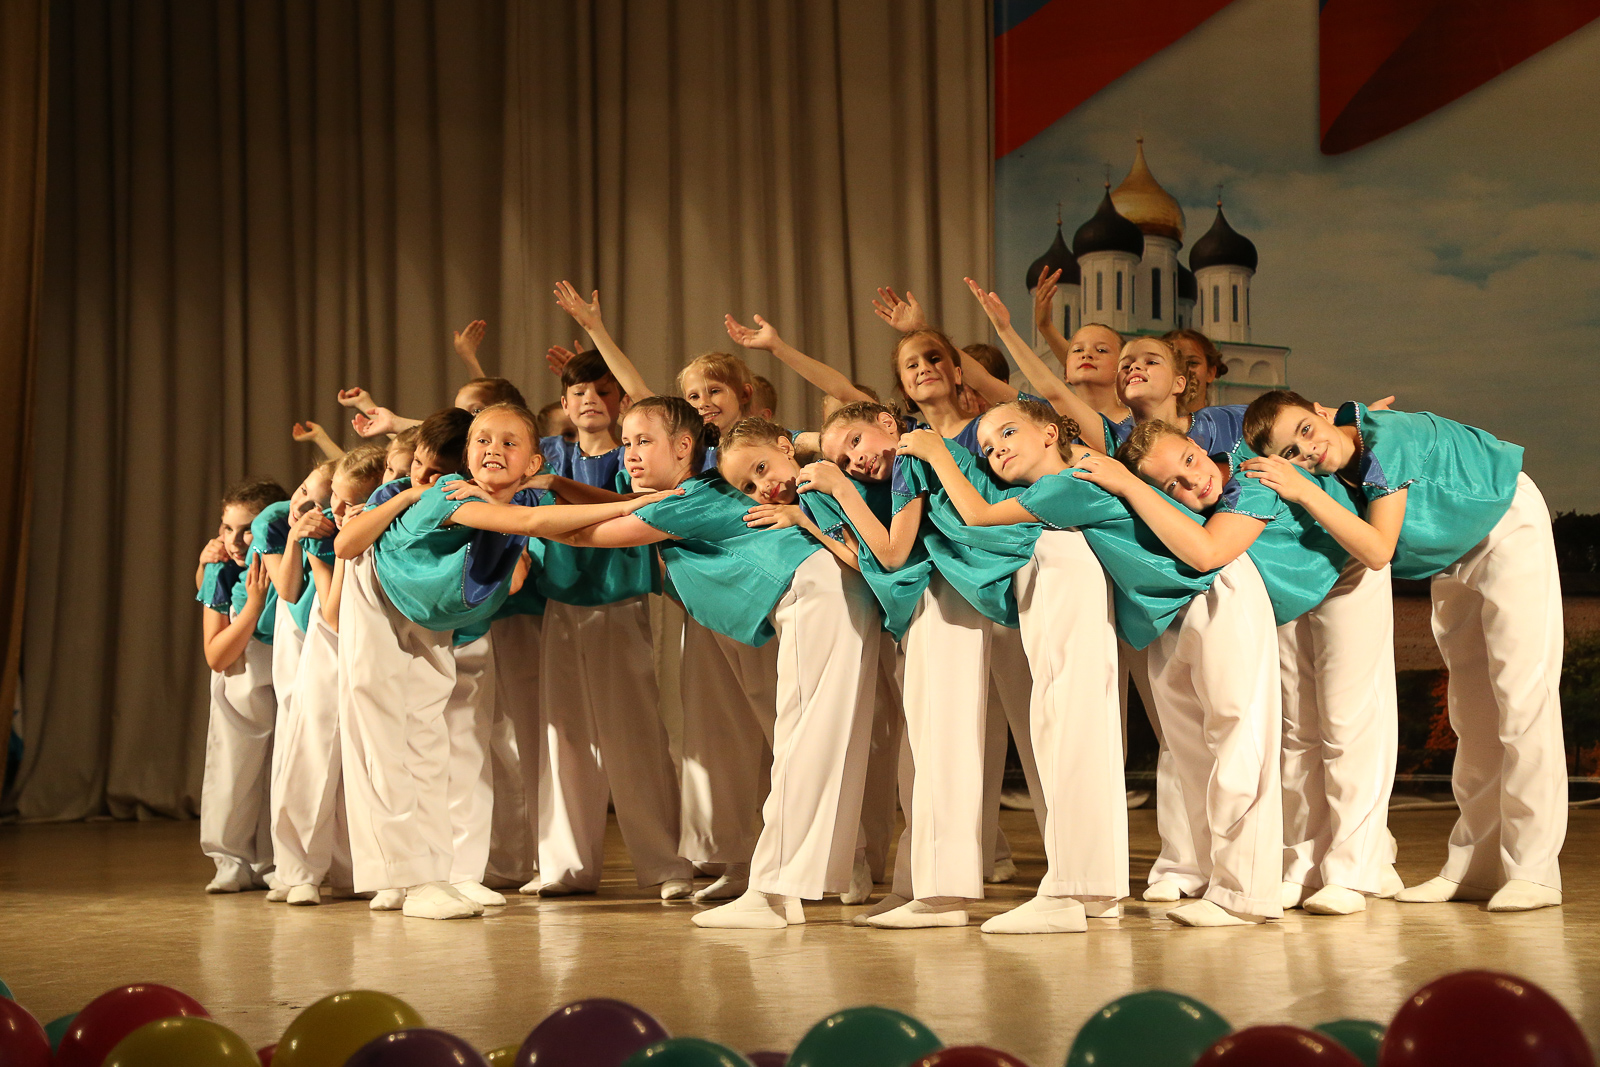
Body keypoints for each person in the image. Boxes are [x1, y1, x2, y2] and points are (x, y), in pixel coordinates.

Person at [545, 399, 879, 929]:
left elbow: (589, 530)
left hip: (812, 595)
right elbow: (619, 506)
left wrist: (493, 510)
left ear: (684, 447)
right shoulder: (705, 489)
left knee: (801, 742)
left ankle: (775, 893)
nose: (630, 454)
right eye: (627, 444)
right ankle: (796, 883)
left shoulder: (698, 493)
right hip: (813, 598)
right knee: (812, 740)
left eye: (642, 441)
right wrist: (552, 487)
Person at [333, 404, 675, 919]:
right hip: (379, 603)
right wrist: (643, 504)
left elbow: (570, 525)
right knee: (386, 742)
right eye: (482, 440)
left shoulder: (528, 494)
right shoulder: (451, 493)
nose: (493, 449)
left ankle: (437, 874)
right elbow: (532, 523)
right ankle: (406, 879)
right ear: (467, 455)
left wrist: (642, 507)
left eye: (509, 443)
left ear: (533, 461)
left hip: (427, 614)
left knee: (427, 746)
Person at [1245, 391, 1567, 913]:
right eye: (1291, 454)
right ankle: (1476, 867)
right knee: (1472, 711)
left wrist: (1302, 489)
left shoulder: (1386, 440)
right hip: (1451, 554)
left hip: (1505, 520)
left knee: (1523, 697)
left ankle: (1535, 870)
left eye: (1306, 430)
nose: (1308, 451)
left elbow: (1378, 550)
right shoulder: (1343, 459)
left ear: (1321, 411)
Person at [1100, 418, 1400, 915]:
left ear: (1199, 445)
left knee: (1347, 722)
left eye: (1190, 460)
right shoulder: (1198, 500)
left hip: (1346, 570)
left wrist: (1128, 485)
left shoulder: (1251, 479)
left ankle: (1359, 869)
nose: (1194, 481)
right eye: (1173, 485)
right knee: (1295, 731)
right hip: (1287, 594)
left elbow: (1210, 552)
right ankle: (1301, 867)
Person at [269, 444, 388, 905]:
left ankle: (359, 869)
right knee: (312, 754)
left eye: (347, 502)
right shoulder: (328, 538)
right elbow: (332, 613)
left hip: (376, 652)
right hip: (330, 649)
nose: (334, 511)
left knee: (368, 762)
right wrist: (335, 550)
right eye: (333, 498)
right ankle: (299, 870)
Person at [196, 478, 290, 893]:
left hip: (286, 680)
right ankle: (229, 859)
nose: (234, 541)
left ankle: (274, 860)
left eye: (248, 529)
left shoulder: (287, 562)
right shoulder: (219, 572)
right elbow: (217, 655)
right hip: (239, 688)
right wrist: (252, 606)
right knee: (233, 773)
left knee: (281, 773)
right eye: (227, 528)